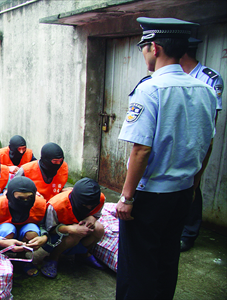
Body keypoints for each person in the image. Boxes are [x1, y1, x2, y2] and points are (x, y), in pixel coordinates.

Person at [115, 17, 216, 300]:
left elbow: (141, 149)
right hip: (183, 192)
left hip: (150, 195)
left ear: (154, 48)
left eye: (143, 47)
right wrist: (194, 183)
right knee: (167, 257)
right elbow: (207, 143)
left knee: (138, 265)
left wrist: (127, 196)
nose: (144, 53)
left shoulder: (150, 89)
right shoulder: (206, 90)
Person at [178, 37, 224, 252]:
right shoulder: (170, 75)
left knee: (191, 185)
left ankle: (188, 233)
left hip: (194, 142)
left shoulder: (209, 79)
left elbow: (210, 121)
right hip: (172, 141)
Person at [41, 178, 106, 278]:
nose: (89, 208)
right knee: (75, 235)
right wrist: (70, 229)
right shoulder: (56, 205)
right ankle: (53, 258)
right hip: (54, 238)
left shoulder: (99, 199)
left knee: (99, 229)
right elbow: (49, 229)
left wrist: (91, 218)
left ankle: (82, 254)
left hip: (79, 228)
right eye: (85, 205)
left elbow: (96, 214)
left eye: (92, 205)